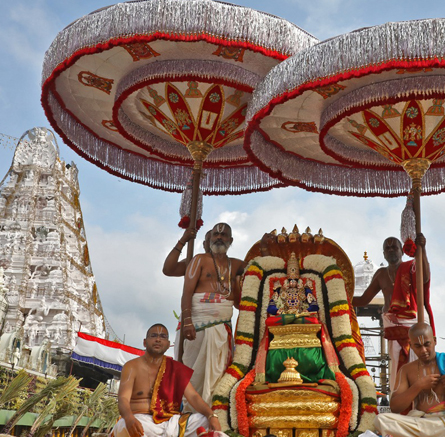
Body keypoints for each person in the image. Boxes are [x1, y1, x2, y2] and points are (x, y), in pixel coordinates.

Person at [111, 323, 223, 437]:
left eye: (163, 336)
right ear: (145, 342)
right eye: (154, 335)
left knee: (203, 420)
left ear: (168, 344)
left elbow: (193, 396)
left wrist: (211, 416)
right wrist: (129, 418)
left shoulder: (175, 368)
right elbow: (123, 398)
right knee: (123, 425)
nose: (158, 339)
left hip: (170, 423)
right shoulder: (131, 366)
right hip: (141, 422)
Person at [352, 234, 434, 390]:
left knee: (417, 362)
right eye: (387, 248)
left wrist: (422, 250)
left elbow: (424, 277)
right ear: (383, 254)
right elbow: (364, 299)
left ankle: (419, 402)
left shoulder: (411, 267)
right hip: (392, 325)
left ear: (401, 251)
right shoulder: (381, 274)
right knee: (396, 364)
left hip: (412, 322)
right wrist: (340, 297)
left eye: (394, 247)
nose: (391, 250)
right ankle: (400, 402)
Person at [179, 223, 245, 411]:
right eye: (216, 233)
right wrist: (187, 321)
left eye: (224, 235)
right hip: (198, 326)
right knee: (195, 374)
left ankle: (215, 417)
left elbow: (259, 270)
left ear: (230, 240)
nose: (219, 237)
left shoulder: (237, 264)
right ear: (209, 239)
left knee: (219, 375)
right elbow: (186, 293)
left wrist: (264, 248)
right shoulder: (199, 260)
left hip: (222, 329)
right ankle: (191, 417)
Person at [374, 322, 445, 437]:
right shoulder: (406, 370)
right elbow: (395, 407)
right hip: (418, 422)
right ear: (411, 346)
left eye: (427, 344)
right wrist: (418, 386)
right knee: (381, 420)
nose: (423, 350)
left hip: (442, 422)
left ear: (435, 341)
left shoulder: (444, 361)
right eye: (418, 346)